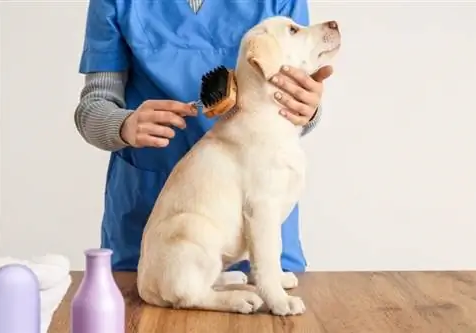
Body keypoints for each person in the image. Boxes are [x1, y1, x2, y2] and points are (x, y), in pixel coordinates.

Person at [74, 0, 333, 272]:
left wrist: (308, 110)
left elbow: (296, 98)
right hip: (157, 226)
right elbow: (93, 107)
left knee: (273, 299)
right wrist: (123, 124)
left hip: (260, 220)